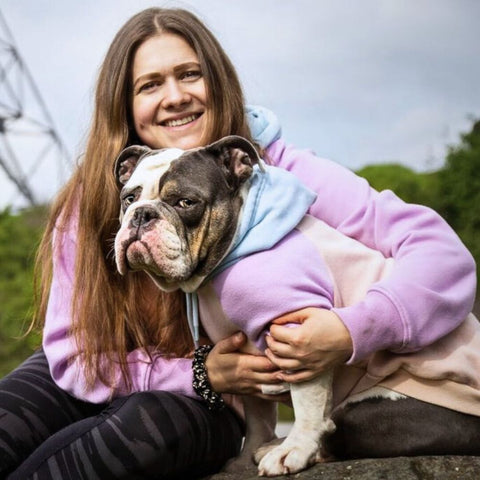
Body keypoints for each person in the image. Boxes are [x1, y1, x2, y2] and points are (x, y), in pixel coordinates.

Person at [0, 7, 476, 479]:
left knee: (134, 433)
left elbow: (440, 254)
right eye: (150, 85)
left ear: (220, 81)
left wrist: (354, 329)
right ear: (124, 105)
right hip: (111, 370)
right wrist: (200, 371)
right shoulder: (95, 195)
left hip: (214, 402)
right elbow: (69, 358)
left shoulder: (279, 173)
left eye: (190, 74)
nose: (175, 97)